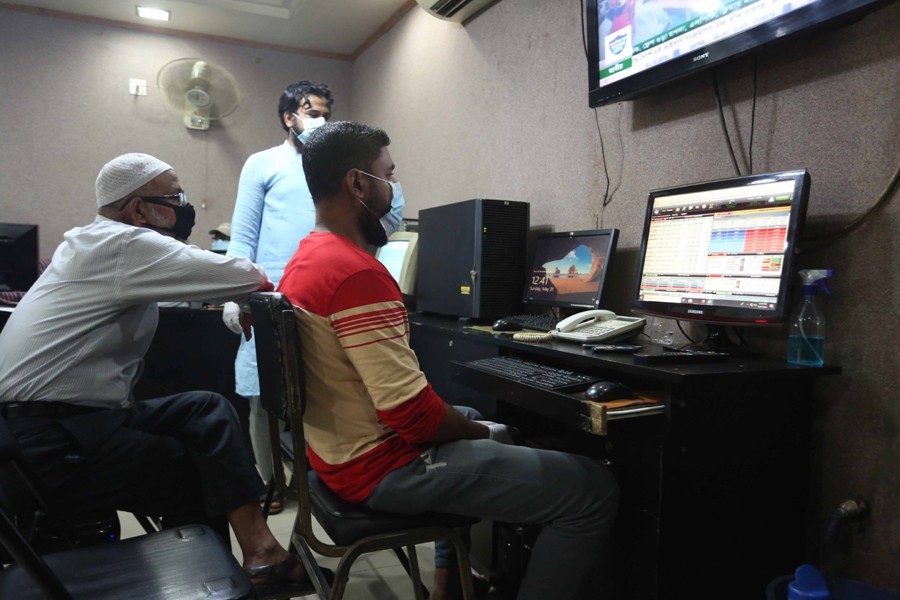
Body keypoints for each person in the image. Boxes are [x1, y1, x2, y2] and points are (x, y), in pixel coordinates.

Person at [278, 122, 620, 600]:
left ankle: (448, 587)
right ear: (357, 183)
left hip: (337, 455)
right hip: (381, 467)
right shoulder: (354, 273)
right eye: (389, 175)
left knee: (474, 415)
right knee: (592, 489)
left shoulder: (306, 259)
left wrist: (475, 427)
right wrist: (484, 435)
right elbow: (411, 418)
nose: (394, 189)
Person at [0, 153, 315, 596]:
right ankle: (211, 581)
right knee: (191, 467)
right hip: (49, 442)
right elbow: (246, 273)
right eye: (175, 196)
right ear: (137, 208)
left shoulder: (97, 244)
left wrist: (237, 295)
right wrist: (243, 292)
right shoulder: (122, 244)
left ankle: (258, 552)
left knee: (204, 408)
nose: (184, 206)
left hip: (70, 422)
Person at [222, 81, 405, 513]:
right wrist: (235, 295)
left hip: (333, 292)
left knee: (329, 393)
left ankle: (324, 475)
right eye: (313, 113)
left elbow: (389, 216)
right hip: (273, 297)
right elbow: (243, 235)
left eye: (327, 113)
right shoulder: (263, 164)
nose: (322, 121)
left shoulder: (343, 169)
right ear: (290, 118)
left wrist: (384, 188)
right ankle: (273, 483)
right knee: (263, 400)